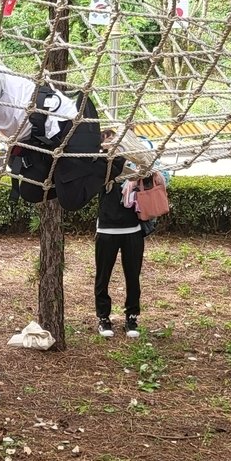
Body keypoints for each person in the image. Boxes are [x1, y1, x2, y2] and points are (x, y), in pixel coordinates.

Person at [0, 27, 104, 210]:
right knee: (31, 190)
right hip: (50, 141)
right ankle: (72, 174)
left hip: (74, 127)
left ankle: (111, 158)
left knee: (72, 199)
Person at [93, 145, 144, 340]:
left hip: (133, 229)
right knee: (103, 276)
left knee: (133, 276)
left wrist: (138, 174)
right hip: (106, 229)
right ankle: (103, 317)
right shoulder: (101, 166)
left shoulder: (138, 162)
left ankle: (132, 316)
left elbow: (160, 178)